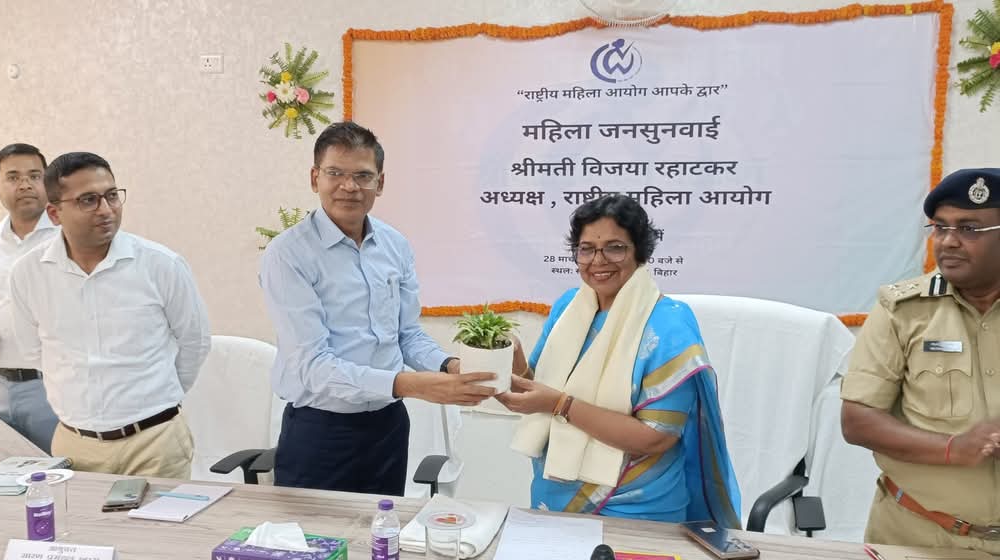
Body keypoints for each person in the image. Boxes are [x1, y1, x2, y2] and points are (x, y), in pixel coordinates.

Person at [260, 121, 497, 496]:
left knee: (384, 530)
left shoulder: (394, 245)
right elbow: (312, 365)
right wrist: (408, 385)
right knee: (313, 534)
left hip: (388, 428)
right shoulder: (288, 255)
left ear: (380, 183)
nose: (349, 186)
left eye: (363, 176)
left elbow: (407, 335)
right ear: (315, 178)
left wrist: (450, 366)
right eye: (335, 173)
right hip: (320, 432)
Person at [499, 194, 740, 525]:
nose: (598, 261)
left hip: (636, 508)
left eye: (614, 248)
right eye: (586, 249)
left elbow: (657, 436)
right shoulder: (568, 307)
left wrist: (561, 405)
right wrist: (512, 360)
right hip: (553, 495)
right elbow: (539, 390)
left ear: (640, 252)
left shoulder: (669, 326)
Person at [9, 152, 211, 477]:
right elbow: (34, 350)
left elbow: (195, 341)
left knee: (161, 514)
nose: (106, 210)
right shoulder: (28, 273)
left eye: (112, 196)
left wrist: (155, 398)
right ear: (55, 213)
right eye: (88, 200)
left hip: (155, 441)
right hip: (75, 444)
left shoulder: (161, 264)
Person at [842, 168, 1000, 553]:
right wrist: (953, 448)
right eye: (940, 227)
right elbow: (858, 420)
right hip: (916, 537)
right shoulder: (903, 310)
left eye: (969, 229)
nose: (948, 241)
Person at [0, 143, 60, 453]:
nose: (25, 184)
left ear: (48, 183)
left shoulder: (67, 238)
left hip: (53, 388)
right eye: (13, 177)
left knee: (61, 473)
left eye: (34, 176)